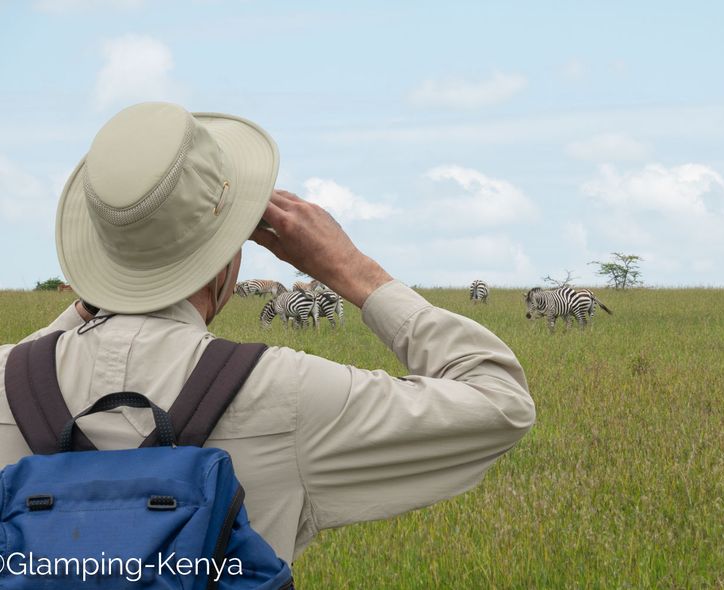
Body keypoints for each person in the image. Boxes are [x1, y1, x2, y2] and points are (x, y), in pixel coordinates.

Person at [0, 102, 535, 564]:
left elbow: (27, 360)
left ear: (96, 247)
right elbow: (502, 402)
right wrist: (353, 270)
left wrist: (95, 296)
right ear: (228, 257)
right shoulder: (286, 388)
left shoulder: (8, 376)